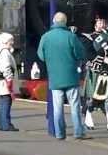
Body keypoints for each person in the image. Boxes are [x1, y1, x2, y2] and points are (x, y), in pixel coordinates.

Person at [37, 12, 90, 140]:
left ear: (54, 22)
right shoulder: (70, 36)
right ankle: (78, 132)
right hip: (71, 77)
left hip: (55, 79)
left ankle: (60, 133)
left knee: (57, 108)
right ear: (65, 22)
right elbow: (80, 54)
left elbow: (41, 55)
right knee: (75, 106)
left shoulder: (45, 37)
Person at [0, 32, 19, 131]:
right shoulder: (5, 52)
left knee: (3, 103)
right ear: (5, 42)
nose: (12, 43)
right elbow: (6, 68)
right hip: (4, 82)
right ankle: (6, 124)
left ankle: (2, 124)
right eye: (10, 41)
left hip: (1, 82)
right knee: (6, 103)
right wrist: (9, 80)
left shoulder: (0, 51)